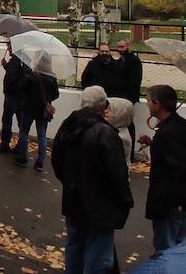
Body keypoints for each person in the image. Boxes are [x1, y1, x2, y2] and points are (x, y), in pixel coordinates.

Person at [52, 86, 132, 274]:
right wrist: (125, 200)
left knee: (75, 246)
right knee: (99, 255)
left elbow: (57, 161)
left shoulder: (67, 126)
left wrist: (70, 183)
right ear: (104, 106)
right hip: (101, 205)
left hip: (73, 200)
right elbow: (117, 173)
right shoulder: (106, 133)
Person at [137, 85, 186, 253]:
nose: (147, 104)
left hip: (171, 202)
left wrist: (178, 202)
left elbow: (180, 167)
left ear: (157, 104)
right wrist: (153, 143)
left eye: (148, 100)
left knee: (165, 250)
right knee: (179, 247)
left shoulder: (167, 134)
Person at [15, 64, 59, 170]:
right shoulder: (51, 76)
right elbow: (56, 94)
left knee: (24, 132)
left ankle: (22, 158)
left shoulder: (31, 74)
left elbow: (22, 88)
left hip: (28, 108)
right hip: (43, 110)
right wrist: (47, 99)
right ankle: (40, 162)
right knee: (42, 135)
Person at [0, 42, 28, 154]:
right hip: (22, 96)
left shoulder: (15, 60)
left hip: (12, 96)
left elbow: (11, 78)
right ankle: (21, 147)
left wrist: (6, 90)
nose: (8, 49)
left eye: (9, 46)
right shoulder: (26, 59)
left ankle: (5, 144)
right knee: (21, 123)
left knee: (7, 120)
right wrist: (6, 66)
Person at [115, 39, 143, 161]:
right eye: (118, 47)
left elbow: (135, 82)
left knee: (129, 124)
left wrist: (130, 99)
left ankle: (130, 154)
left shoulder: (134, 61)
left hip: (128, 98)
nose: (120, 49)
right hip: (120, 97)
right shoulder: (120, 61)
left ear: (128, 46)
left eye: (122, 47)